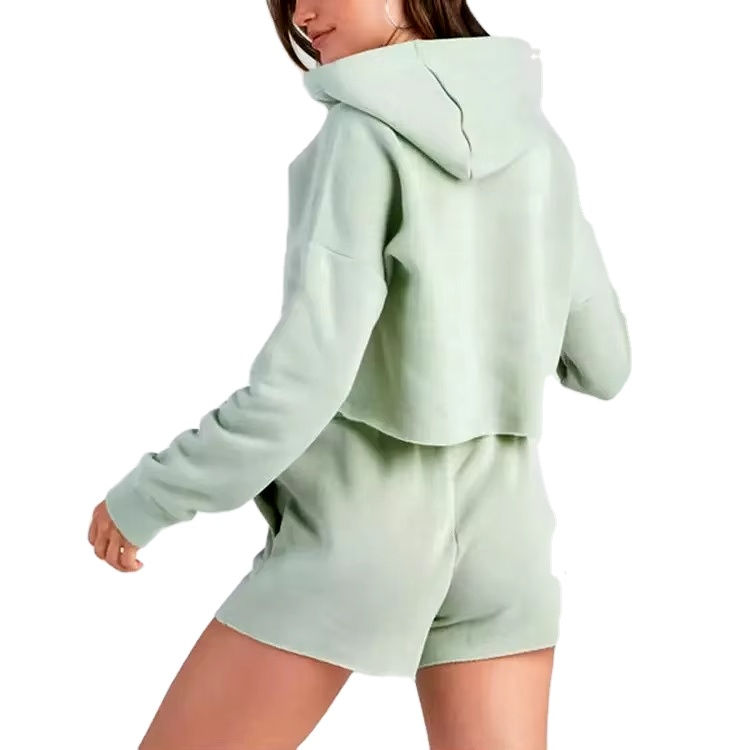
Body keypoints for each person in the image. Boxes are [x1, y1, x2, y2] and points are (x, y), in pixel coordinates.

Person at [87, 1, 632, 747]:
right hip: (507, 541)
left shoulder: (361, 136)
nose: (303, 14)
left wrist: (153, 493)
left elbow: (301, 386)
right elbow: (606, 364)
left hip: (364, 533)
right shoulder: (538, 143)